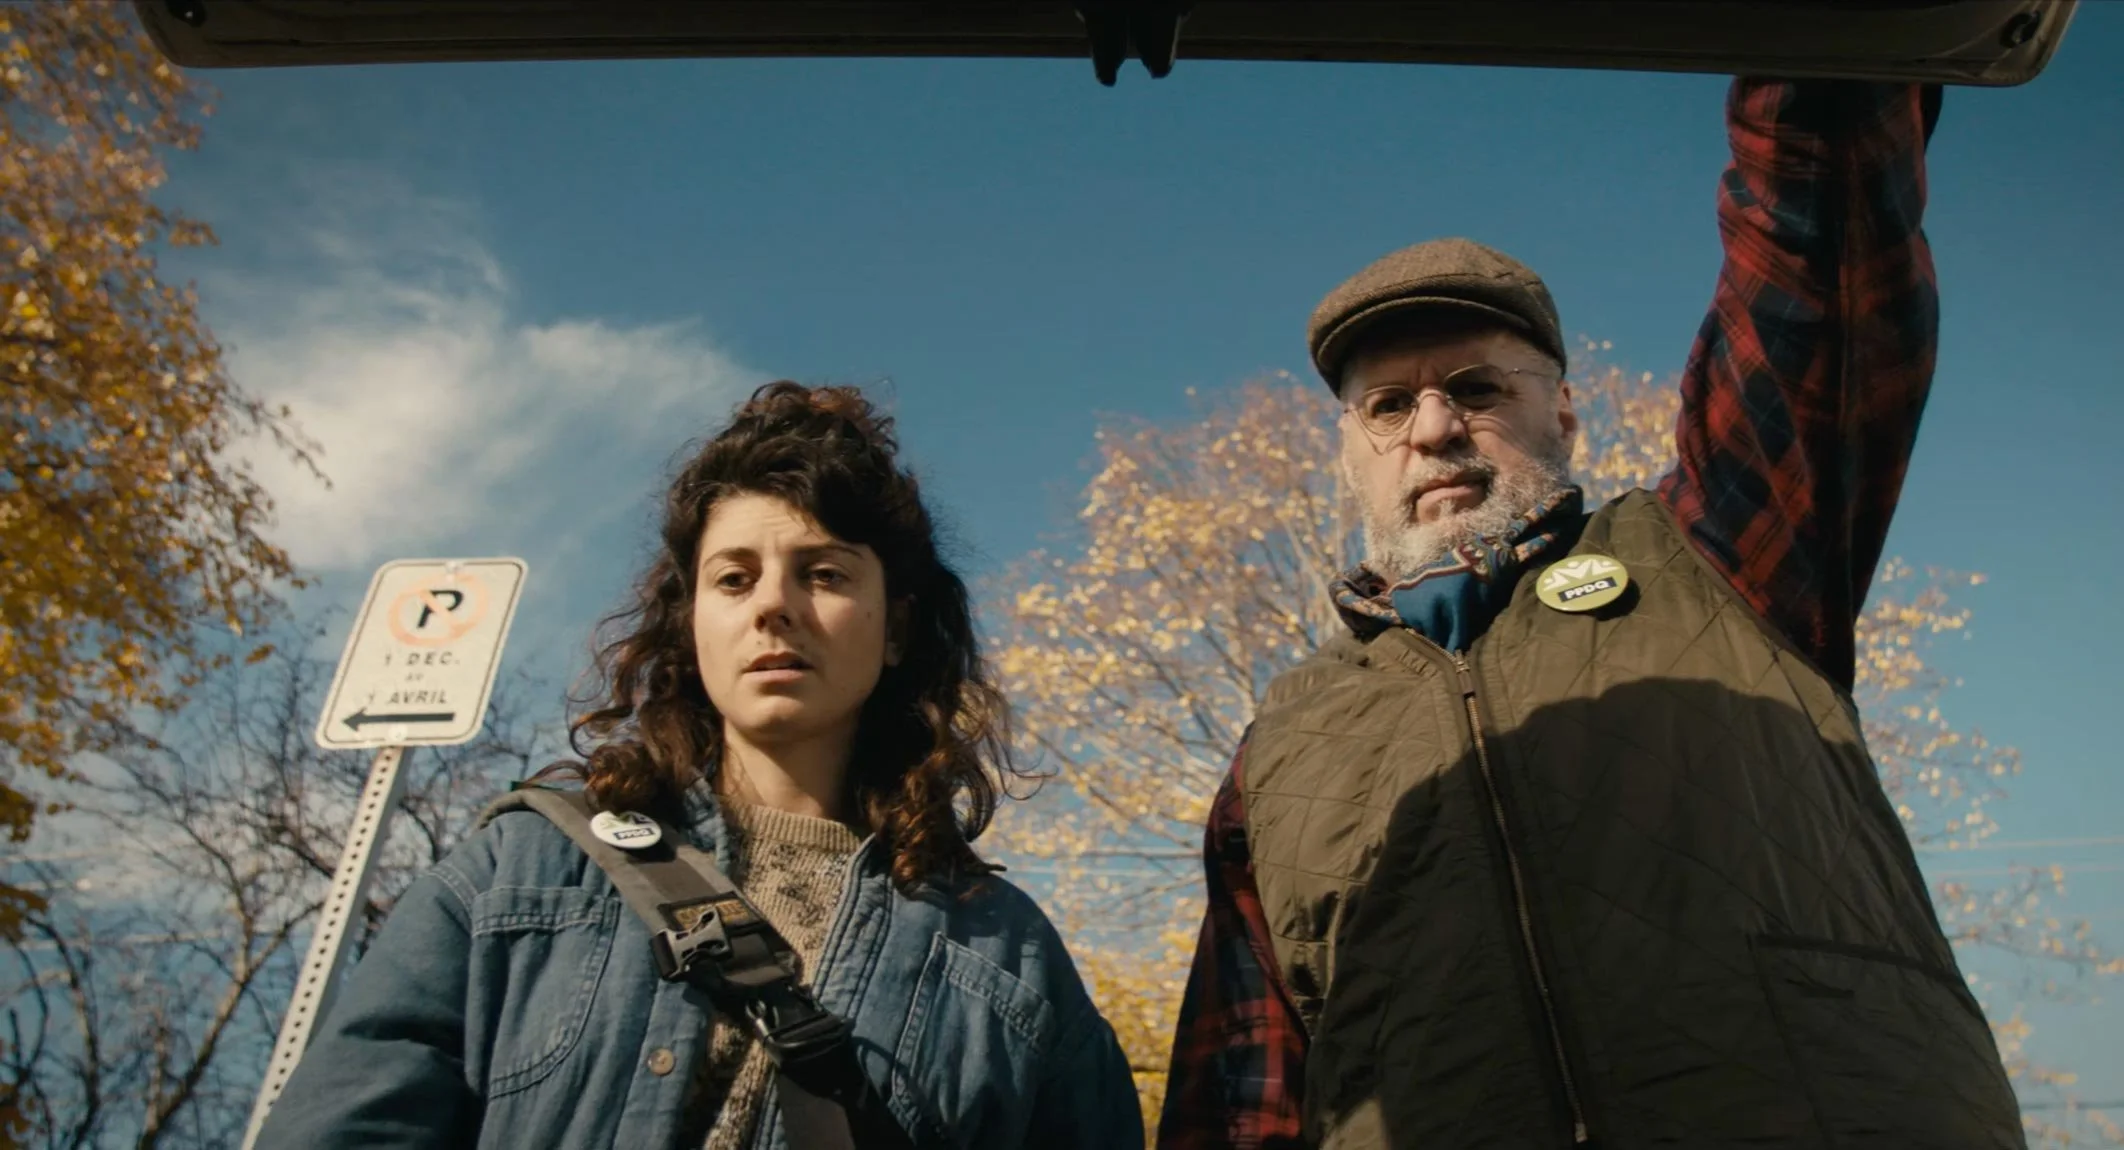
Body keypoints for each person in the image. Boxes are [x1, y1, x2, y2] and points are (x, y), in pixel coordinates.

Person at [1156, 79, 2026, 1149]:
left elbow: (1819, 241)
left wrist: (1818, 57)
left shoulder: (1717, 558)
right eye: (1388, 405)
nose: (1433, 429)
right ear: (1348, 457)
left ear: (1563, 409)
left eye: (1477, 388)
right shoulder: (1275, 755)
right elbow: (1241, 1105)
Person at [256, 383, 1143, 1149]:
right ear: (691, 624)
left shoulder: (1010, 958)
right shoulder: (519, 872)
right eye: (733, 578)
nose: (774, 608)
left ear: (898, 626)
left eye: (824, 574)